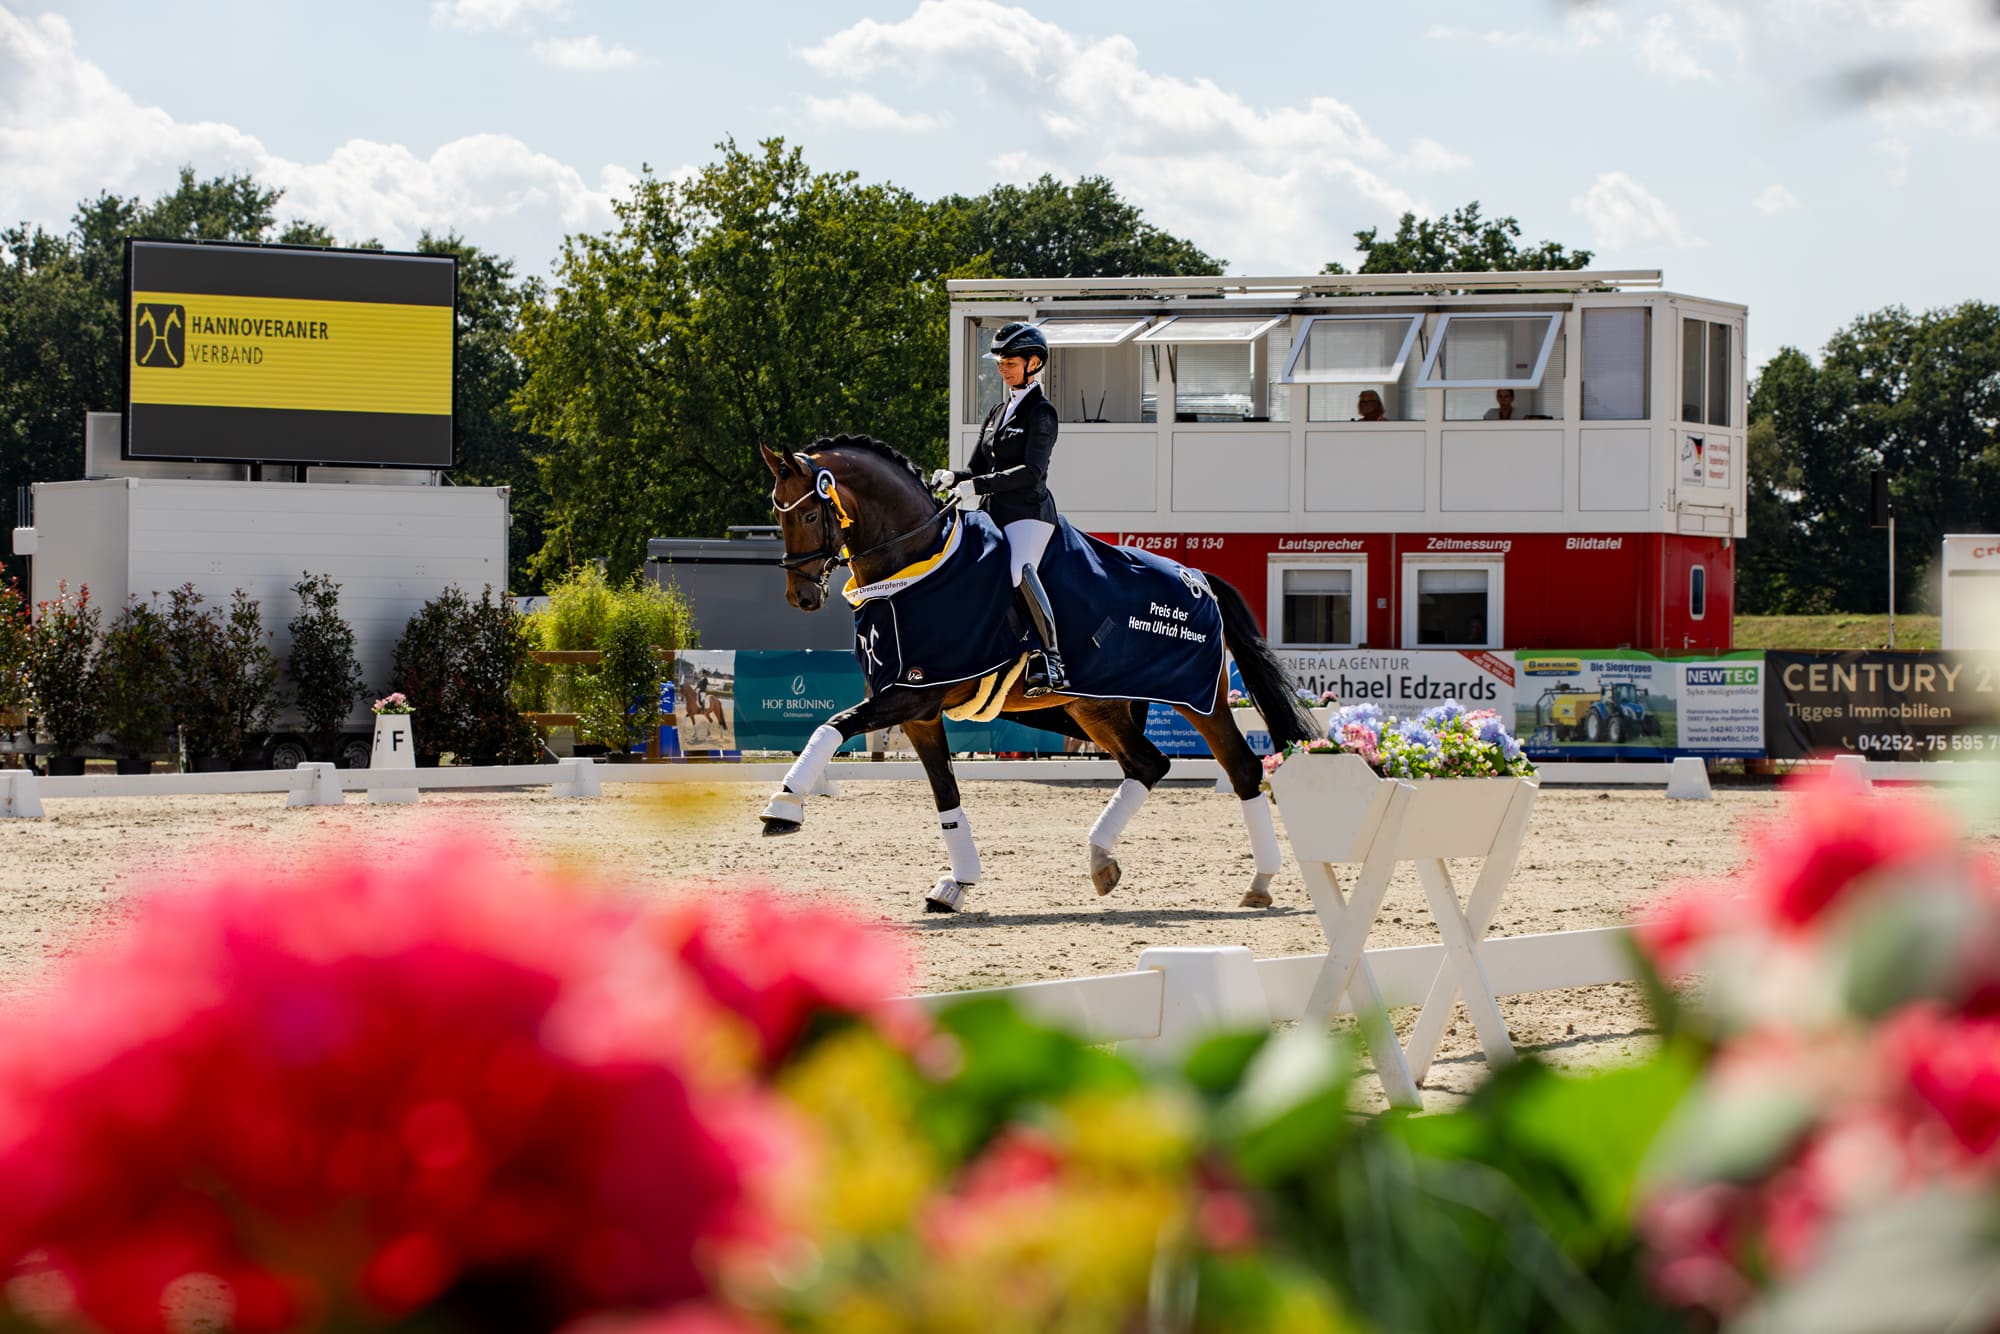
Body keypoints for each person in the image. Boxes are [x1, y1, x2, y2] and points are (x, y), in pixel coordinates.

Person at [930, 321, 1068, 696]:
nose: (1002, 368)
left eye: (1010, 361)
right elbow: (976, 468)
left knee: (1014, 570)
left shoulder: (1042, 413)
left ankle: (1051, 659)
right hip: (993, 512)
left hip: (1028, 514)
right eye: (1000, 362)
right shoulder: (997, 411)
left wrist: (979, 484)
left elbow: (1031, 472)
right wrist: (952, 476)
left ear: (1033, 363)